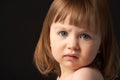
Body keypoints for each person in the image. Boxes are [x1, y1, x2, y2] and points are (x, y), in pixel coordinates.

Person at [34, 0, 120, 80]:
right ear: (48, 37)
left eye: (84, 36)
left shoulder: (85, 75)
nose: (72, 45)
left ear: (101, 45)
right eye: (63, 33)